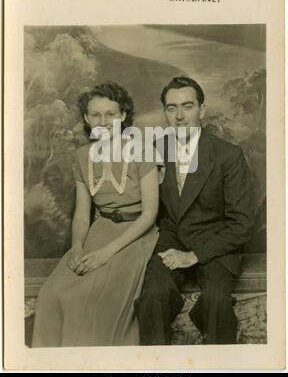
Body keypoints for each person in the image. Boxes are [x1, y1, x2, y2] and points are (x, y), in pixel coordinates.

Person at [32, 82, 159, 347]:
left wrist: (106, 253)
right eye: (96, 115)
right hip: (97, 232)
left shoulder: (142, 150)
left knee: (89, 300)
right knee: (50, 295)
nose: (103, 121)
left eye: (110, 114)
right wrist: (77, 247)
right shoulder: (81, 155)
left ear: (123, 116)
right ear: (87, 119)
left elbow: (150, 214)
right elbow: (81, 214)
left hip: (136, 236)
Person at [134, 76, 254, 345]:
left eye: (187, 106)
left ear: (201, 110)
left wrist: (194, 255)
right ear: (165, 111)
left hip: (217, 243)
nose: (179, 116)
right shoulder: (154, 150)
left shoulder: (228, 154)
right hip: (170, 239)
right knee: (153, 297)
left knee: (216, 303)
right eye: (171, 107)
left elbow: (243, 224)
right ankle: (154, 372)